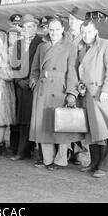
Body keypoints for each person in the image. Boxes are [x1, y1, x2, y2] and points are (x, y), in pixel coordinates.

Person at [29, 18, 84, 171]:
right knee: (43, 126)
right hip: (43, 90)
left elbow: (72, 71)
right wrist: (34, 81)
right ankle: (47, 159)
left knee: (62, 126)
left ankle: (60, 160)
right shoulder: (41, 46)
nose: (53, 33)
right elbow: (34, 68)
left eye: (56, 29)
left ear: (62, 29)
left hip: (60, 90)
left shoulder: (70, 46)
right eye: (51, 30)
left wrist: (72, 93)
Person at [78, 20, 108, 178]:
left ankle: (104, 165)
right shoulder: (82, 48)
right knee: (92, 131)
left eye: (89, 32)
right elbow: (83, 71)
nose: (86, 35)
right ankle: (94, 162)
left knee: (106, 130)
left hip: (103, 95)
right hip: (89, 94)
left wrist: (107, 90)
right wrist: (81, 87)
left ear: (96, 31)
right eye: (83, 32)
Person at [10, 14, 43, 161]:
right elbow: (13, 66)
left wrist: (32, 80)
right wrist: (18, 81)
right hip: (19, 86)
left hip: (33, 87)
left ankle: (25, 150)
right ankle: (16, 148)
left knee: (28, 119)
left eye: (30, 26)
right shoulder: (18, 44)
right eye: (24, 26)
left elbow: (43, 65)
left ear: (35, 28)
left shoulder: (41, 43)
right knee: (18, 118)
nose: (27, 29)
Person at [65, 7, 90, 166]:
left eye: (74, 19)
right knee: (65, 119)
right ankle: (67, 151)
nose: (71, 22)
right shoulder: (64, 36)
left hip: (80, 85)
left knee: (80, 121)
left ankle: (80, 152)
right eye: (69, 19)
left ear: (81, 22)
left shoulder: (87, 38)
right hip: (65, 81)